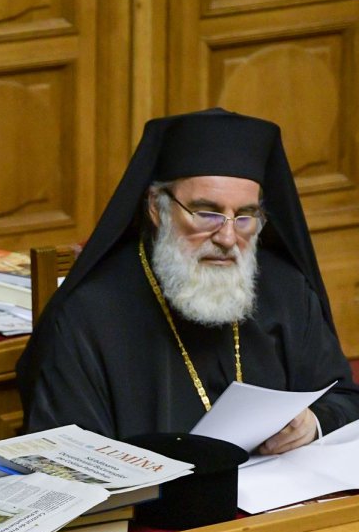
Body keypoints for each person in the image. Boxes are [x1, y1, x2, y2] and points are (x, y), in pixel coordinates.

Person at [18, 107, 359, 454]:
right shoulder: (90, 313)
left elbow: (343, 398)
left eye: (244, 216)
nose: (227, 237)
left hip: (284, 503)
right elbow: (65, 458)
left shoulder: (285, 288)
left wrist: (311, 425)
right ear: (157, 206)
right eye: (207, 213)